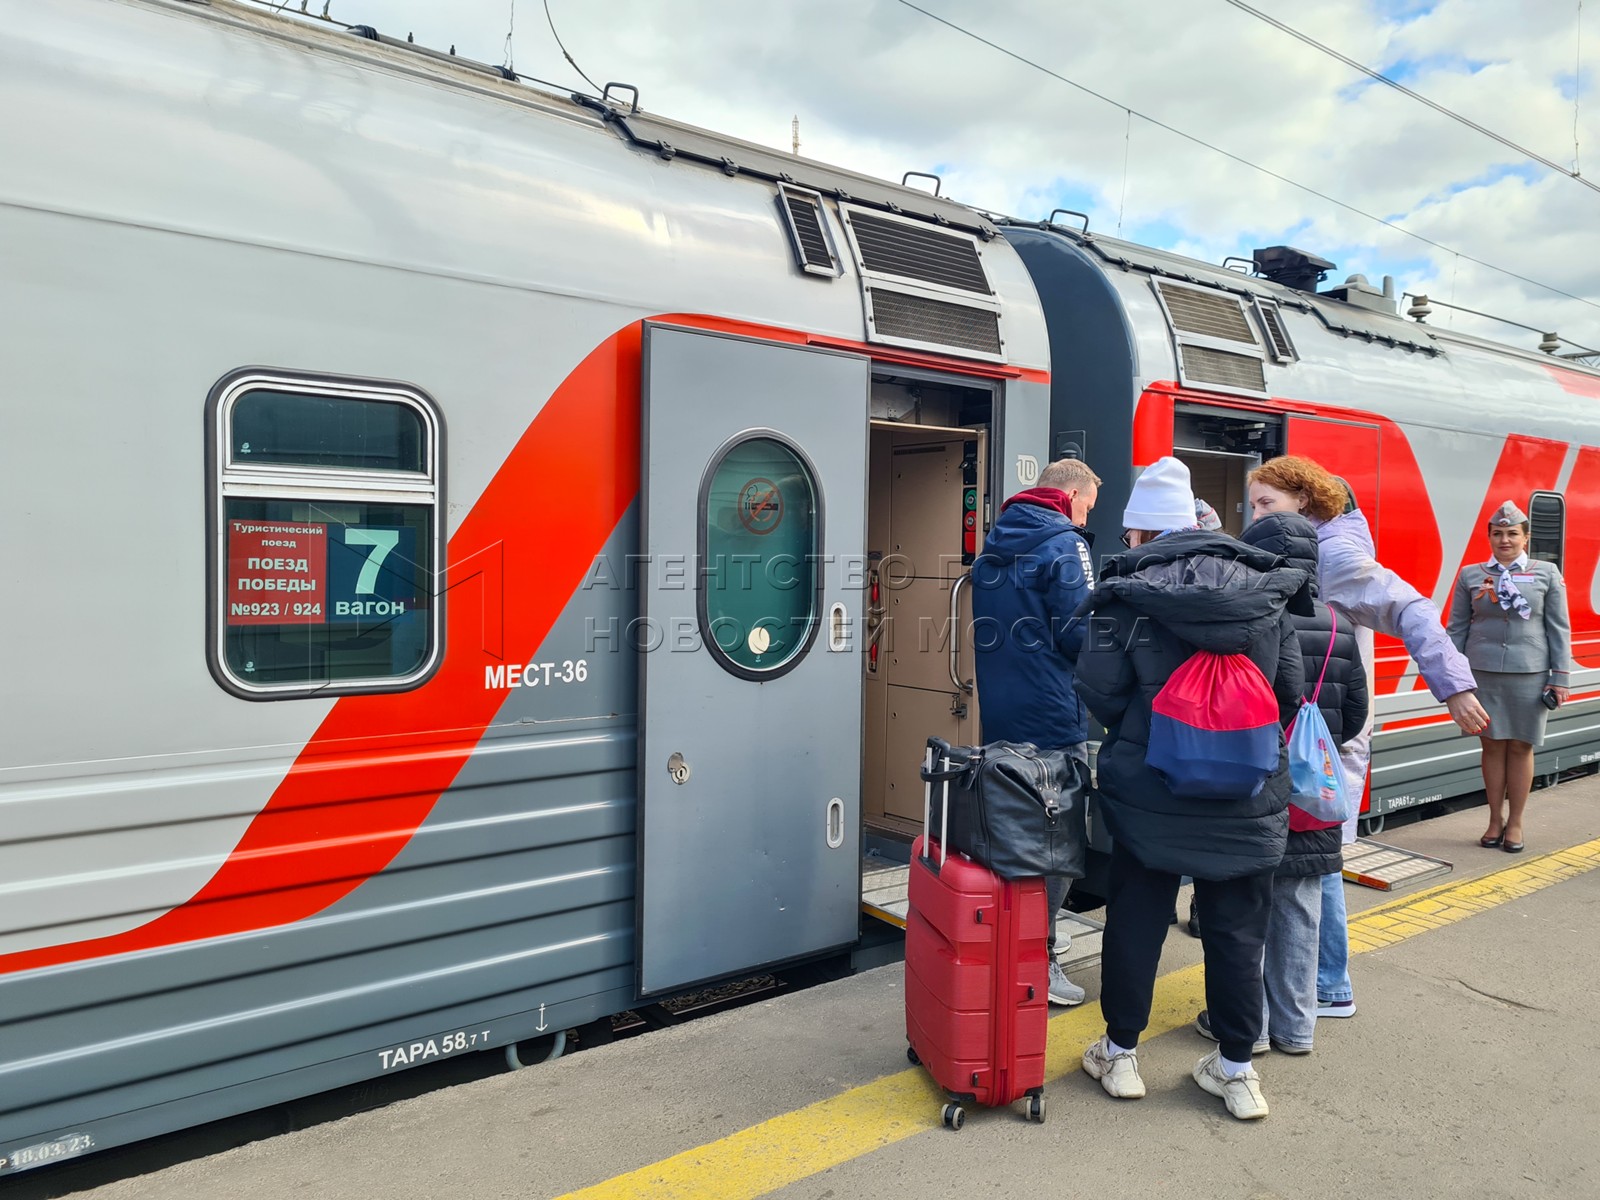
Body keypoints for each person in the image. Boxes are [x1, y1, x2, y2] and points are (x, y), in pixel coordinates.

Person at [1075, 456, 1305, 1121]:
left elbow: (1101, 694)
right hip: (1246, 790)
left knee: (1137, 921)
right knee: (1237, 932)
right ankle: (1236, 1072)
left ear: (1141, 533)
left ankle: (1120, 1057)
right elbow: (1286, 692)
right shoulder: (1266, 589)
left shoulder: (1125, 593)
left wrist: (1157, 724)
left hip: (1150, 789)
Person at [1247, 455, 1485, 1020]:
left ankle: (1327, 984)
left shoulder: (1335, 555)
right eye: (1251, 504)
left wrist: (1451, 684)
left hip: (1323, 734)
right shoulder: (1315, 547)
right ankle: (1325, 984)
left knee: (1316, 860)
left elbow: (1411, 607)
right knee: (1316, 858)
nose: (1254, 515)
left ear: (1304, 502)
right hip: (1319, 729)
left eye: (1265, 504)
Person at [1193, 512, 1368, 1056]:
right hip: (1313, 790)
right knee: (1302, 908)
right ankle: (1297, 1028)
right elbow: (1357, 714)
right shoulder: (1337, 624)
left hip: (1262, 788)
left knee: (1252, 911)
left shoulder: (1256, 623)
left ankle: (1255, 1026)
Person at [970, 456, 1101, 1007]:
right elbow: (1080, 633)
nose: (1085, 515)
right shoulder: (1065, 543)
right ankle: (1038, 956)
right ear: (1071, 496)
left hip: (1003, 712)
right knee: (1059, 839)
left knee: (1017, 830)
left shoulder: (995, 542)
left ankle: (1022, 936)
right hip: (1053, 712)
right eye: (1088, 505)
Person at [1447, 501, 1573, 854]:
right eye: (1498, 533)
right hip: (1482, 673)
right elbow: (1456, 628)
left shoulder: (1546, 572)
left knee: (1520, 745)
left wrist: (1560, 677)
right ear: (1489, 537)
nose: (1505, 540)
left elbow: (1559, 629)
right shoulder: (1471, 574)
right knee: (1490, 745)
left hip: (1530, 673)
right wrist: (1452, 677)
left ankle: (1515, 821)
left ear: (1525, 538)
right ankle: (1493, 819)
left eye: (1512, 533)